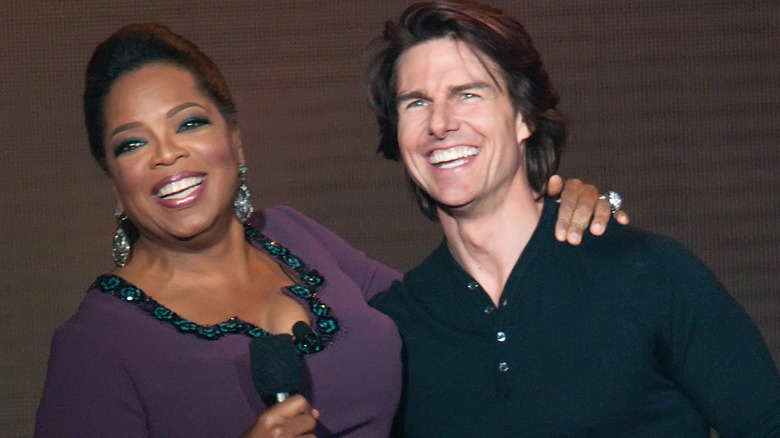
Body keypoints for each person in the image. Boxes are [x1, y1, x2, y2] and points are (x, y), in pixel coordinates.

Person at [34, 23, 621, 437]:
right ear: (114, 178)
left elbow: (454, 319)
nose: (167, 155)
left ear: (234, 141)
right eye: (132, 143)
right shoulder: (96, 347)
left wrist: (544, 215)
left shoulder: (293, 237)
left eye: (189, 123)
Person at [366, 1, 780, 436]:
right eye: (416, 103)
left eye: (467, 94)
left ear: (524, 116)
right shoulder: (395, 330)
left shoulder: (648, 274)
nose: (440, 123)